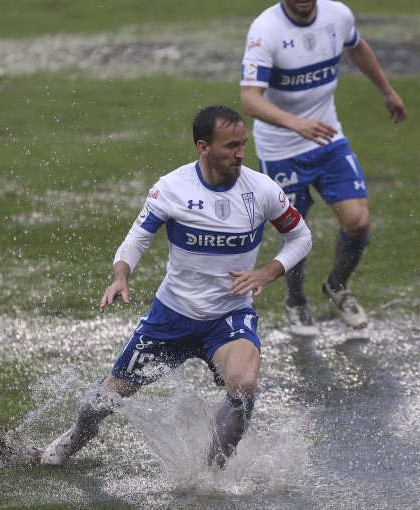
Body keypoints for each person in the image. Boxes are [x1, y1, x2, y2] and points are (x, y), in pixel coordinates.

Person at [39, 105, 312, 467]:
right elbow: (136, 239)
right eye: (231, 146)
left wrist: (268, 271)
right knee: (106, 398)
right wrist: (121, 275)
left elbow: (300, 236)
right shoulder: (171, 189)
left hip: (229, 317)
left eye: (243, 144)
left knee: (244, 387)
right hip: (171, 317)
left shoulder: (262, 190)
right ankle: (74, 438)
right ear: (203, 146)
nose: (242, 154)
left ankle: (211, 473)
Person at [239, 0, 407, 335]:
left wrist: (387, 91)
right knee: (295, 230)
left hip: (327, 138)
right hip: (281, 147)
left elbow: (358, 48)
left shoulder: (338, 15)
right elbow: (248, 98)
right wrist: (295, 124)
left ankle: (337, 284)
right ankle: (296, 299)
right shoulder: (265, 29)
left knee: (357, 221)